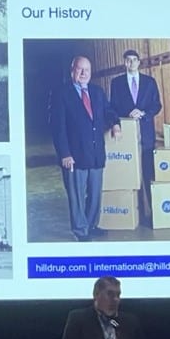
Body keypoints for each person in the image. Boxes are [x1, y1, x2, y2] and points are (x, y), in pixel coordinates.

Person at [50, 56, 122, 242]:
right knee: (77, 196)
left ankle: (92, 225)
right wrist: (64, 153)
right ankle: (81, 230)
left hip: (96, 153)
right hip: (74, 155)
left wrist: (115, 124)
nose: (83, 73)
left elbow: (109, 111)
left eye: (87, 70)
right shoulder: (61, 94)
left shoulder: (97, 92)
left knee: (95, 192)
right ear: (72, 71)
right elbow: (57, 127)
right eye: (80, 69)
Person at [110, 50, 162, 225]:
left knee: (148, 171)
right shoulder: (116, 83)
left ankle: (153, 212)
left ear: (139, 62)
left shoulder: (149, 82)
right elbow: (113, 107)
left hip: (146, 132)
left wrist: (144, 113)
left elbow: (157, 105)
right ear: (124, 63)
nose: (131, 63)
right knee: (131, 172)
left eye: (134, 60)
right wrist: (127, 114)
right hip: (127, 133)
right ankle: (136, 211)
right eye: (128, 60)